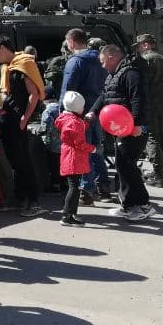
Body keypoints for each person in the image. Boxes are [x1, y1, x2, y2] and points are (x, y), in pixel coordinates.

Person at [88, 44, 154, 221]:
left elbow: (139, 99)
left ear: (111, 57)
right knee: (123, 165)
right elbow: (105, 96)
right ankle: (129, 205)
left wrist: (137, 125)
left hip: (132, 128)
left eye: (103, 61)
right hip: (122, 127)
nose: (102, 66)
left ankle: (143, 205)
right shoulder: (114, 75)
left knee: (127, 165)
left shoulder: (131, 73)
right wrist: (93, 111)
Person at [0, 36, 46, 217]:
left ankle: (33, 201)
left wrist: (24, 118)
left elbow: (34, 94)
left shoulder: (24, 65)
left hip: (18, 122)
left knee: (23, 162)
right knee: (14, 161)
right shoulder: (3, 69)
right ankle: (20, 198)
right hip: (5, 120)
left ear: (2, 48)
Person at [62, 28, 108, 203]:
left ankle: (86, 190)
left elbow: (67, 91)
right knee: (97, 149)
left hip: (79, 112)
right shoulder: (100, 60)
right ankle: (103, 187)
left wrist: (62, 114)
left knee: (83, 150)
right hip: (97, 110)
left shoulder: (75, 62)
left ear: (71, 42)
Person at [136, 34, 163, 188]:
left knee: (151, 138)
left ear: (147, 45)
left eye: (140, 45)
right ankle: (159, 173)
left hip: (150, 106)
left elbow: (140, 85)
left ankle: (158, 175)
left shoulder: (146, 61)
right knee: (162, 139)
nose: (139, 49)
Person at [57, 91, 93, 227]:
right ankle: (67, 215)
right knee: (74, 188)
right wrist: (92, 149)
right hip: (74, 158)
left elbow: (77, 130)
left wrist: (86, 122)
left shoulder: (66, 119)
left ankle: (71, 214)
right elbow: (80, 143)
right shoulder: (75, 123)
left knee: (74, 187)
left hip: (69, 155)